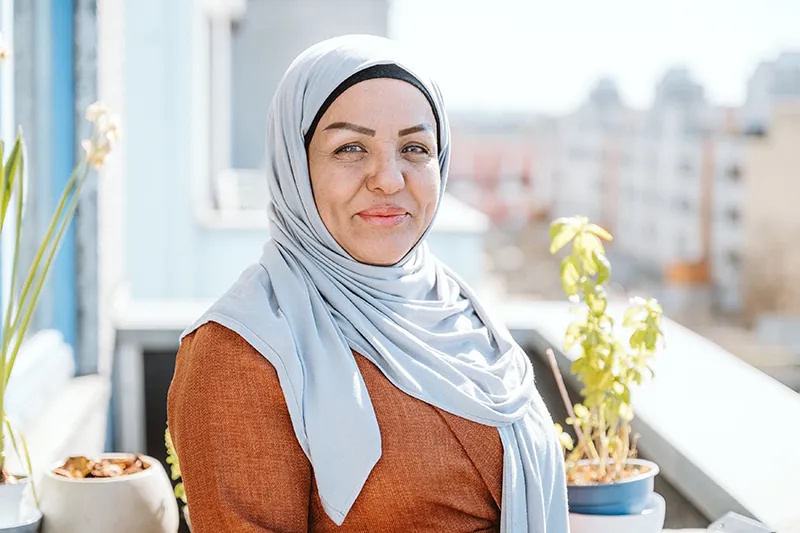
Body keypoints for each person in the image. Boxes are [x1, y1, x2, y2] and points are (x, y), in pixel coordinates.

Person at [167, 34, 569, 533]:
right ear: (296, 165)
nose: (389, 179)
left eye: (414, 148)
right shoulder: (241, 352)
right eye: (350, 148)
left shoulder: (458, 309)